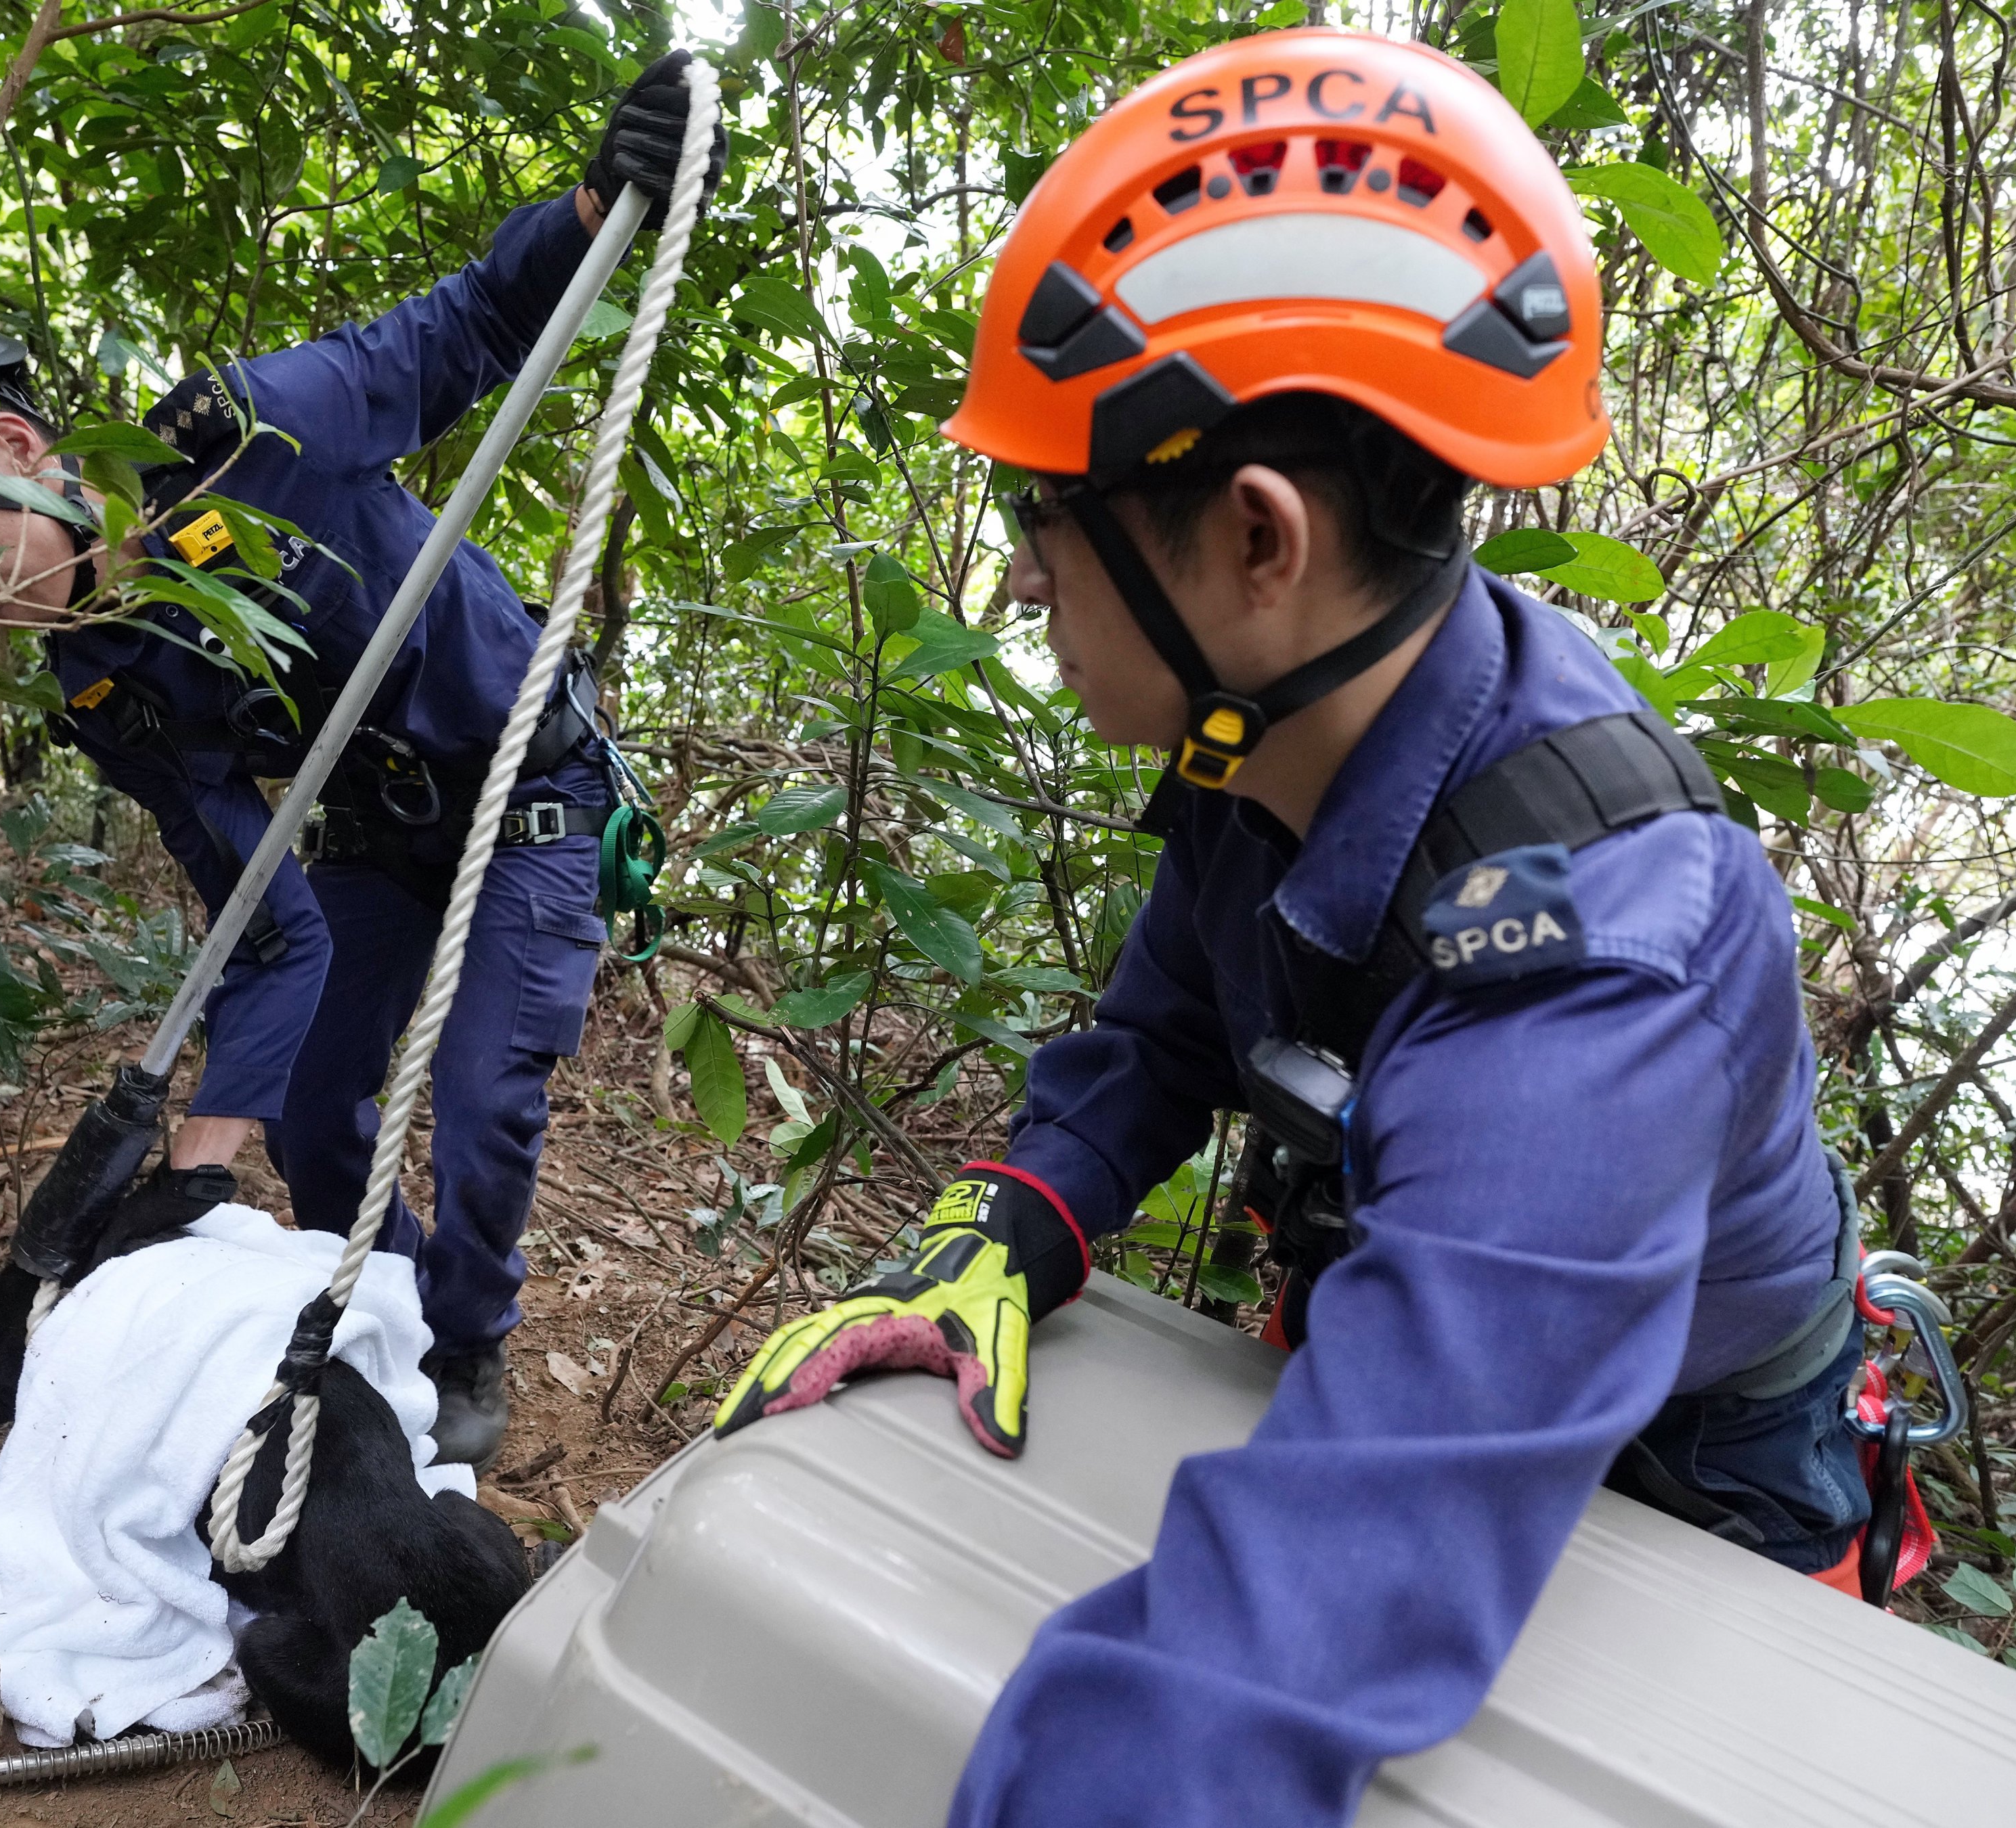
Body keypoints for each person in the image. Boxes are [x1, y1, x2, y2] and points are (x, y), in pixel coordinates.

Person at [712, 29, 1879, 1824]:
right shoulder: (1273, 728)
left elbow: (1278, 1635)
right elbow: (1167, 1023)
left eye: (1045, 517)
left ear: (1255, 539)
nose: (1021, 576)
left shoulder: (1592, 972)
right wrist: (1018, 1209)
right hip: (1432, 1326)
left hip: (1703, 1453)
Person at [0, 54, 724, 1466]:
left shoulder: (243, 436)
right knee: (312, 1111)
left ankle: (470, 1336)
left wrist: (596, 198)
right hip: (371, 837)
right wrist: (191, 1168)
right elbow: (264, 932)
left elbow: (474, 324)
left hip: (528, 797)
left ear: (16, 445)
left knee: (485, 1088)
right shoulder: (101, 682)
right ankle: (396, 1306)